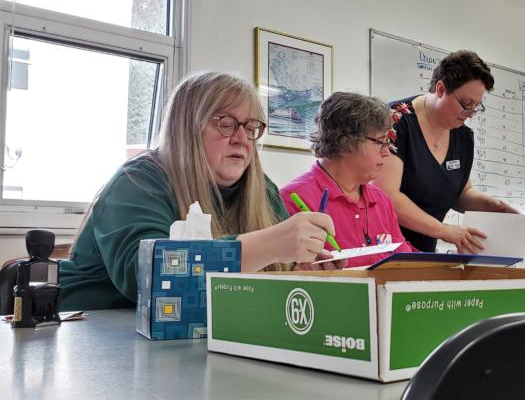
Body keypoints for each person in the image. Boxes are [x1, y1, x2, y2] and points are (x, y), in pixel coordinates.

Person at [59, 71, 342, 311]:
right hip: (90, 335)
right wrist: (268, 246)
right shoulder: (137, 181)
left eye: (252, 126)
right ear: (186, 128)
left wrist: (299, 271)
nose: (242, 139)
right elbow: (147, 278)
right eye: (226, 124)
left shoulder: (260, 187)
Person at [374, 50, 517, 254]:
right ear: (440, 89)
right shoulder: (396, 121)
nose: (470, 115)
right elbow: (386, 196)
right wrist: (443, 230)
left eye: (477, 107)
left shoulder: (463, 136)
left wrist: (490, 204)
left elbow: (461, 193)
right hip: (385, 249)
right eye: (466, 105)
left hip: (424, 251)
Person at [280, 92, 415, 267]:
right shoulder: (292, 199)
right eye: (380, 142)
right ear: (345, 142)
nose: (386, 152)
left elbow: (403, 260)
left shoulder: (381, 201)